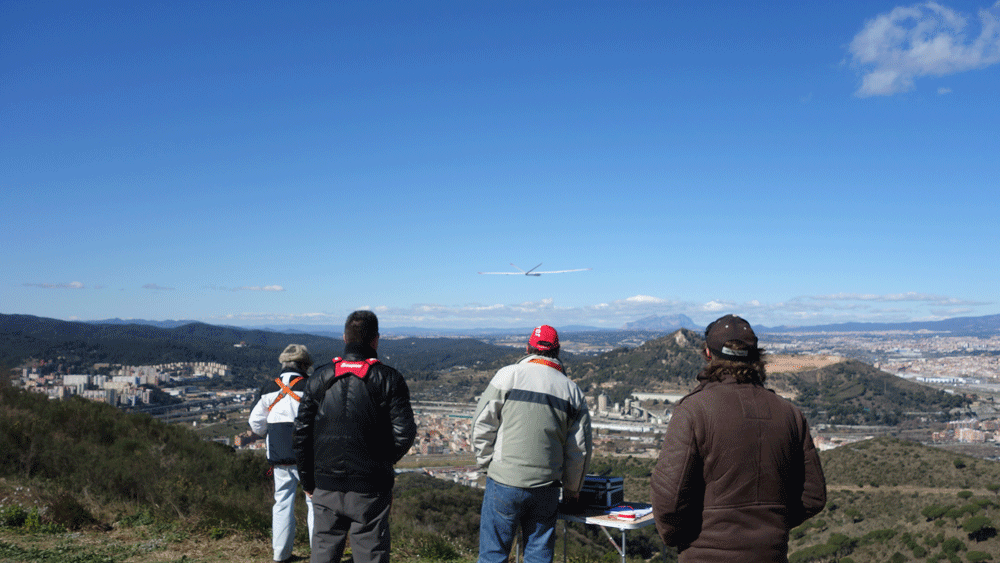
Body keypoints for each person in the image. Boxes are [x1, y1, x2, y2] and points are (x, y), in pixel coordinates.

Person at [650, 314, 827, 563]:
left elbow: (669, 499)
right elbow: (813, 496)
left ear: (708, 354)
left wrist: (684, 538)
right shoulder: (790, 414)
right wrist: (771, 526)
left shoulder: (693, 410)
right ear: (756, 356)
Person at [293, 310, 416, 563]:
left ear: (344, 338)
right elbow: (404, 433)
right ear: (376, 340)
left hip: (325, 483)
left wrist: (308, 481)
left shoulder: (319, 377)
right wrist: (380, 463)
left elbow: (301, 433)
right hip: (370, 486)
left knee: (323, 551)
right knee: (370, 552)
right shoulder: (389, 378)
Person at [472, 324, 593, 563]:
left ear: (528, 348)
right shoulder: (573, 392)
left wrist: (487, 464)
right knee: (538, 555)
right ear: (557, 351)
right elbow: (578, 450)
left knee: (493, 554)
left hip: (504, 480)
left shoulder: (507, 376)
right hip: (546, 486)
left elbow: (482, 425)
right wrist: (572, 490)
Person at [249, 343, 316, 563]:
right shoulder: (311, 386)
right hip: (308, 455)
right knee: (314, 503)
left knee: (282, 502)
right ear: (305, 365)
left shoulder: (268, 388)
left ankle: (281, 554)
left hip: (279, 455)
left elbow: (255, 423)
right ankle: (319, 555)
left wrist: (270, 434)